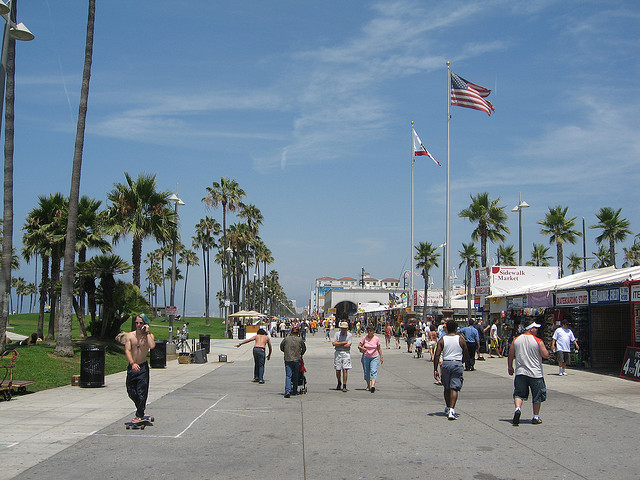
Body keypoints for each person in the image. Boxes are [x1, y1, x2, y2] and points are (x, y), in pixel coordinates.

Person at [508, 321, 550, 426]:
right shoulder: (538, 341)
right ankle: (536, 417)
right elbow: (545, 355)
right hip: (535, 373)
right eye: (536, 328)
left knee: (518, 393)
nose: (537, 330)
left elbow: (511, 354)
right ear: (530, 329)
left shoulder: (516, 340)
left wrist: (510, 366)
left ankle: (518, 409)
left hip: (520, 372)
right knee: (537, 395)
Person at [433, 319, 468, 420]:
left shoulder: (442, 340)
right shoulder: (460, 339)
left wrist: (435, 369)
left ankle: (448, 407)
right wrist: (461, 362)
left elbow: (437, 355)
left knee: (447, 387)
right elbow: (466, 353)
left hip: (446, 363)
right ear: (456, 329)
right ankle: (452, 409)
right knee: (454, 387)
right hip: (457, 363)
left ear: (447, 329)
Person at [124, 313, 156, 424]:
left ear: (145, 324)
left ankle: (139, 415)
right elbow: (127, 350)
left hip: (142, 367)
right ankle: (141, 409)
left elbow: (152, 346)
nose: (138, 325)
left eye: (141, 323)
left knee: (141, 391)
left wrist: (147, 332)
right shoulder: (130, 336)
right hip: (132, 366)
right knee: (131, 391)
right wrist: (132, 363)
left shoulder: (149, 336)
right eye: (137, 323)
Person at [279, 326, 306, 398]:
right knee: (295, 375)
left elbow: (281, 347)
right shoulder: (300, 339)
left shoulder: (286, 338)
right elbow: (304, 348)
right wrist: (301, 354)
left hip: (288, 358)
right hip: (296, 359)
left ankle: (287, 390)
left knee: (288, 375)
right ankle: (294, 390)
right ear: (298, 332)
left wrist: (286, 351)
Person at [358, 326, 383, 392]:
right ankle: (368, 385)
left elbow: (379, 348)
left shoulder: (376, 339)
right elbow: (359, 346)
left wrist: (381, 357)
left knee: (373, 370)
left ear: (373, 331)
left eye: (371, 331)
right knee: (366, 371)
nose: (369, 332)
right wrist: (363, 348)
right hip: (366, 357)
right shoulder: (364, 338)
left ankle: (372, 386)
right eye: (368, 331)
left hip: (374, 357)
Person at [332, 320, 353, 392]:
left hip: (346, 353)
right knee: (337, 369)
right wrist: (343, 343)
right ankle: (339, 382)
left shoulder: (349, 335)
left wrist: (338, 343)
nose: (343, 330)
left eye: (345, 328)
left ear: (347, 328)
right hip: (338, 352)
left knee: (345, 369)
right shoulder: (337, 334)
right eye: (342, 328)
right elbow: (333, 343)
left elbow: (348, 345)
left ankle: (344, 385)